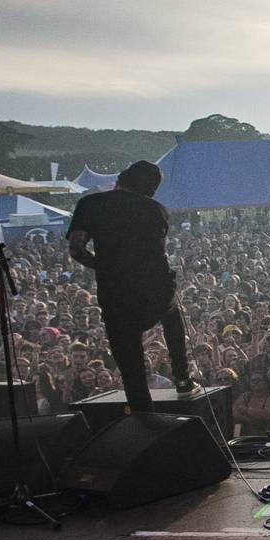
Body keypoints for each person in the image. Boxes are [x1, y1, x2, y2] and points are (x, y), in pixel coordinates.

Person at [66, 161, 195, 412]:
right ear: (151, 190)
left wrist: (103, 266)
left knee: (130, 360)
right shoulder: (157, 210)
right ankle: (182, 377)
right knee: (172, 316)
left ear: (119, 179)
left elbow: (76, 248)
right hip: (156, 288)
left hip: (116, 293)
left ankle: (142, 415)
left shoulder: (90, 204)